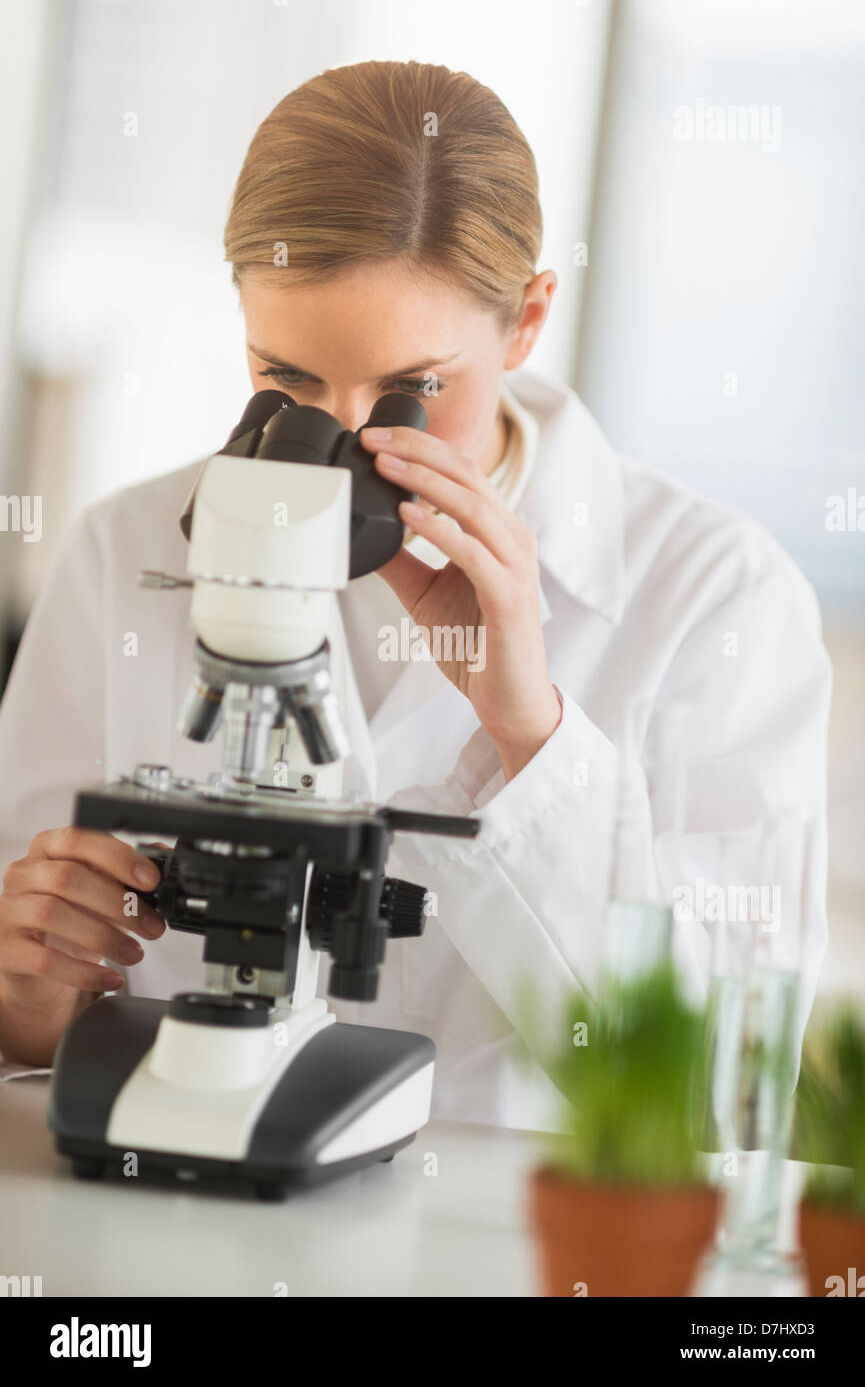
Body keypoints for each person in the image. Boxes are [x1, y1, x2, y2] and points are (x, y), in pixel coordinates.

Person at [0, 60, 831, 1130]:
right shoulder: (125, 547)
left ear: (526, 320)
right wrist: (29, 994)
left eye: (413, 390)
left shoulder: (717, 596)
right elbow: (31, 1019)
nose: (347, 438)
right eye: (287, 381)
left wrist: (526, 729)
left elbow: (729, 1096)